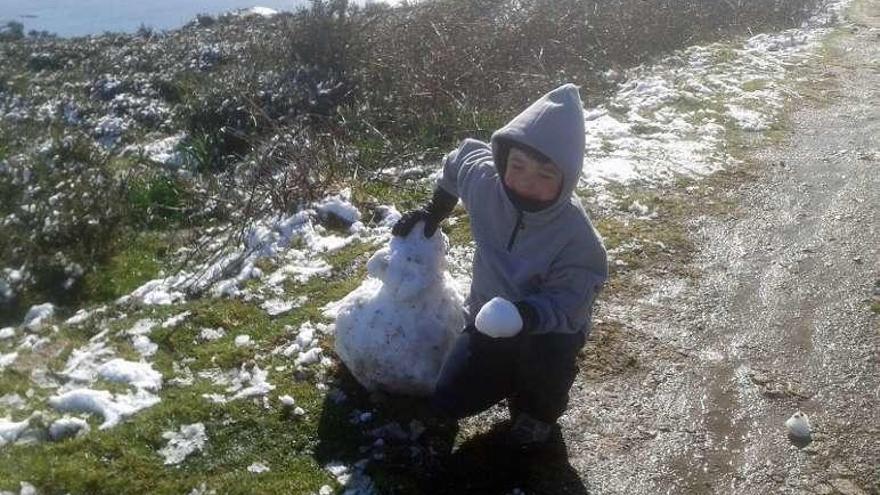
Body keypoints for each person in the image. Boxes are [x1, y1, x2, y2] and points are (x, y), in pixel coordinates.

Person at [392, 83, 608, 447]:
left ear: (566, 178)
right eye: (518, 166)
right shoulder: (485, 182)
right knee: (448, 398)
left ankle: (536, 411)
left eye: (545, 174)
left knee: (544, 369)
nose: (525, 183)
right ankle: (498, 375)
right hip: (485, 319)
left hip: (548, 330)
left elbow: (571, 302)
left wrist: (525, 315)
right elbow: (460, 158)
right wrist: (435, 211)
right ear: (503, 159)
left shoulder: (578, 238)